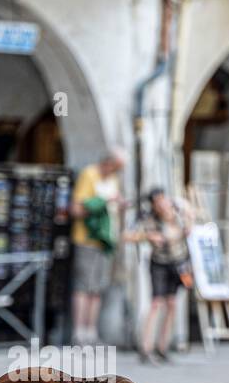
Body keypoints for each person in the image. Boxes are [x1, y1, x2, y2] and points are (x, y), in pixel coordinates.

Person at [127, 188, 192, 364]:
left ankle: (163, 347)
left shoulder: (179, 211)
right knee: (156, 302)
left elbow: (191, 224)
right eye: (158, 202)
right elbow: (128, 235)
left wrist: (186, 221)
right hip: (159, 263)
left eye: (163, 200)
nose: (162, 205)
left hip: (178, 262)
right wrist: (148, 236)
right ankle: (146, 347)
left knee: (172, 303)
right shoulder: (148, 218)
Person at [70, 150, 127, 344]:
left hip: (106, 240)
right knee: (84, 286)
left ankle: (91, 332)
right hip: (87, 239)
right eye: (117, 167)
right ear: (108, 163)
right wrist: (104, 201)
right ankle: (79, 332)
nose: (118, 172)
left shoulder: (114, 180)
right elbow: (77, 208)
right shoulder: (89, 175)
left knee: (98, 287)